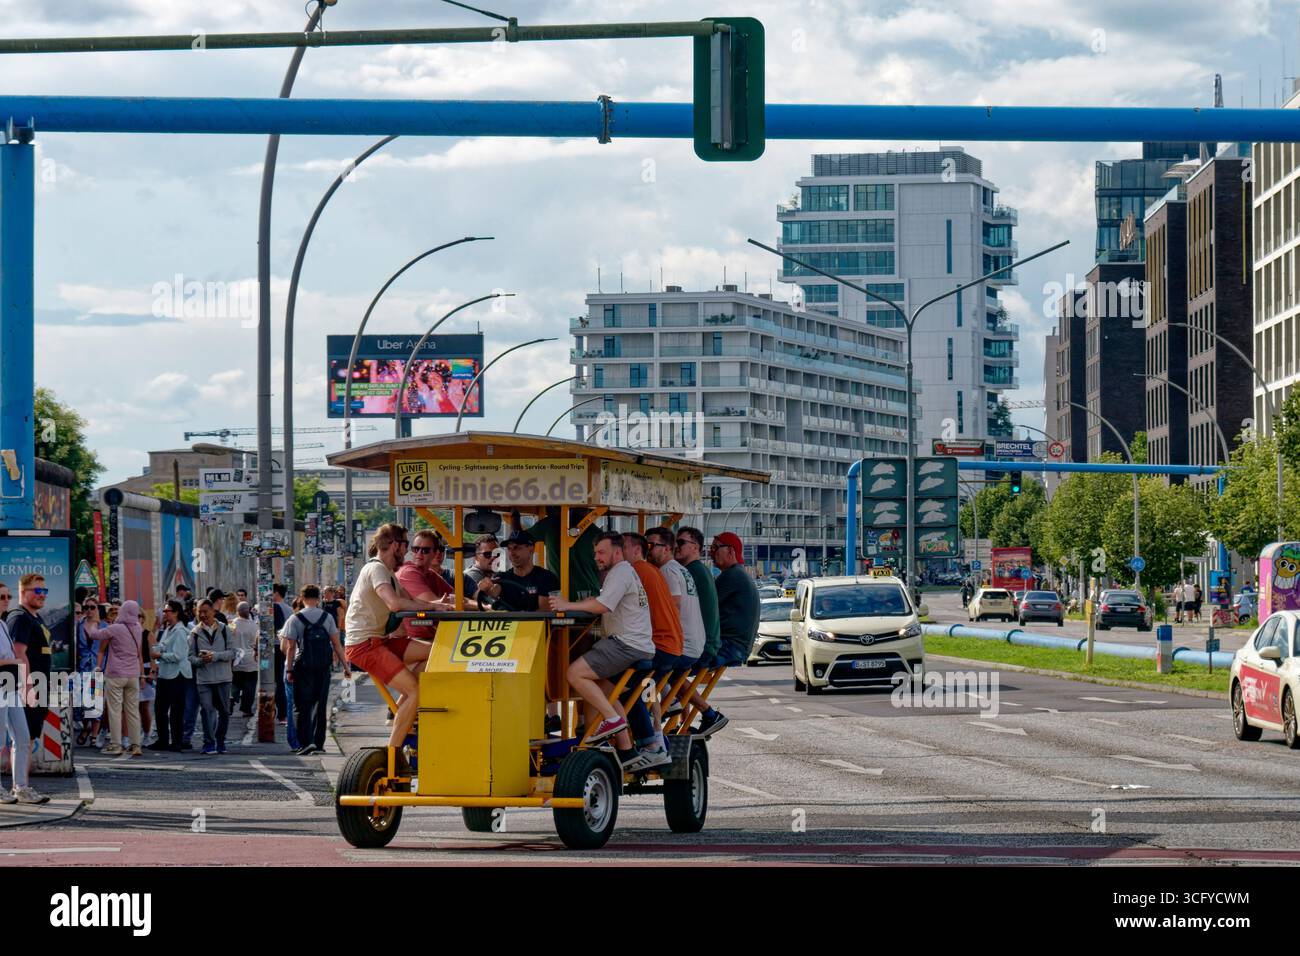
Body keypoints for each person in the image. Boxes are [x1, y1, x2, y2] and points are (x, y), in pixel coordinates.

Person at [552, 533, 655, 764]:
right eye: (596, 552)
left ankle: (612, 720)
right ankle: (627, 750)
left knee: (573, 673)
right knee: (603, 688)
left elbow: (603, 605)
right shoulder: (624, 572)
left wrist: (567, 605)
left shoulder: (619, 572)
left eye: (602, 552)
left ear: (617, 553)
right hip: (638, 645)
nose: (596, 557)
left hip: (626, 644)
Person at [343, 524, 444, 753]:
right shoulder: (376, 569)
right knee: (415, 691)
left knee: (438, 653)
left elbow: (415, 600)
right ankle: (393, 752)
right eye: (406, 545)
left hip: (380, 639)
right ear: (393, 544)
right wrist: (430, 606)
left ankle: (402, 712)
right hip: (364, 645)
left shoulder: (389, 573)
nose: (408, 552)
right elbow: (395, 604)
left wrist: (451, 606)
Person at [620, 531, 682, 767]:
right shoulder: (650, 570)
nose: (619, 552)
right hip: (669, 645)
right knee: (644, 685)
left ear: (637, 550)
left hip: (660, 646)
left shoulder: (636, 571)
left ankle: (650, 744)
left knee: (625, 687)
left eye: (622, 547)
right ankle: (656, 733)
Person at [692, 532, 759, 736]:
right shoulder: (736, 575)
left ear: (730, 551)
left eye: (715, 548)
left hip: (729, 646)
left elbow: (701, 606)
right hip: (734, 645)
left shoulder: (732, 576)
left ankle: (708, 713)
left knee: (671, 668)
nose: (711, 553)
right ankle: (679, 711)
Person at [283, 585, 348, 756]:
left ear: (302, 598)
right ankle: (319, 743)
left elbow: (290, 647)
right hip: (323, 667)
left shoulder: (295, 619)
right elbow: (336, 644)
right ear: (318, 598)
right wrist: (346, 667)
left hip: (303, 667)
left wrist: (289, 670)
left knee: (301, 705)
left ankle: (305, 742)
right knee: (320, 706)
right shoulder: (327, 617)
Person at [0, 583, 49, 804]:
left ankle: (20, 787)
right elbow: (13, 656)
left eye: (8, 596)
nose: (6, 600)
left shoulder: (2, 623)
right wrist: (14, 661)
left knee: (22, 736)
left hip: (10, 687)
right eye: (1, 596)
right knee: (0, 739)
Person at [93, 599, 144, 757]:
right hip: (133, 675)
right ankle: (135, 745)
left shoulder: (115, 628)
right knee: (133, 711)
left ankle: (116, 744)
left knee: (115, 711)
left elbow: (95, 635)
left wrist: (94, 621)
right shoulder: (138, 628)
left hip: (115, 675)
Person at [6, 573, 52, 745]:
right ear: (23, 591)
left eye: (45, 590)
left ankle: (21, 773)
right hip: (27, 689)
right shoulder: (20, 617)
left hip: (39, 686)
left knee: (28, 740)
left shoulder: (35, 617)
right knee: (22, 742)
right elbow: (18, 654)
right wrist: (27, 687)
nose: (43, 594)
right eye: (38, 590)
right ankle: (18, 773)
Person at [189, 599, 235, 755]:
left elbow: (232, 652)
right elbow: (190, 657)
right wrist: (201, 660)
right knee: (207, 710)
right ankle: (208, 742)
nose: (202, 615)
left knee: (224, 711)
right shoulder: (194, 633)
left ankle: (220, 740)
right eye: (199, 612)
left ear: (213, 612)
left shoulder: (224, 629)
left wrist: (215, 656)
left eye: (205, 611)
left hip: (223, 678)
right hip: (204, 679)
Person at [527, 507, 602, 600]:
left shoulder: (550, 524)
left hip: (558, 597)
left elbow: (521, 538)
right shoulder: (597, 533)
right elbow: (604, 569)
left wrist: (515, 519)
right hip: (590, 596)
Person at [475, 530, 560, 612]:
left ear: (531, 549)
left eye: (517, 548)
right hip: (508, 625)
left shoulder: (546, 578)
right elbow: (493, 592)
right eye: (509, 549)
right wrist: (484, 587)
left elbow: (544, 612)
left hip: (534, 625)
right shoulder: (502, 578)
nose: (512, 553)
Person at [149, 600, 191, 752]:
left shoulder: (180, 631)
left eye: (167, 611)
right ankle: (163, 740)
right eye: (164, 611)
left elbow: (178, 655)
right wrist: (157, 649)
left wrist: (160, 655)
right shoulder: (168, 628)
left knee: (176, 710)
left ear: (176, 612)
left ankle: (177, 741)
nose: (165, 614)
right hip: (165, 674)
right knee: (160, 709)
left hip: (177, 674)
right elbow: (162, 644)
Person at [396, 531, 455, 607]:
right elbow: (437, 605)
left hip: (428, 619)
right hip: (416, 619)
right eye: (416, 549)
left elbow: (458, 597)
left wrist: (474, 604)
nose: (419, 554)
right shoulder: (408, 572)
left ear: (435, 553)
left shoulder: (431, 574)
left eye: (425, 550)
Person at [229, 601, 259, 726]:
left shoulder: (232, 625)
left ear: (237, 611)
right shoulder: (254, 626)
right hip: (250, 659)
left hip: (236, 658)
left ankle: (231, 698)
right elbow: (256, 642)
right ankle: (246, 709)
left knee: (235, 682)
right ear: (248, 611)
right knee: (250, 686)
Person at [462, 535, 499, 608]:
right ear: (475, 556)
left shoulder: (497, 574)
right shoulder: (470, 575)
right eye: (488, 554)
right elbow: (492, 603)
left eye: (497, 554)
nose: (493, 557)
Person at [138, 626, 157, 748]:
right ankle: (127, 736)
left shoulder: (147, 634)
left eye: (139, 616)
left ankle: (146, 734)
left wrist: (153, 671)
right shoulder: (126, 631)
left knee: (144, 706)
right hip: (129, 670)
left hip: (145, 670)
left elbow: (153, 654)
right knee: (128, 707)